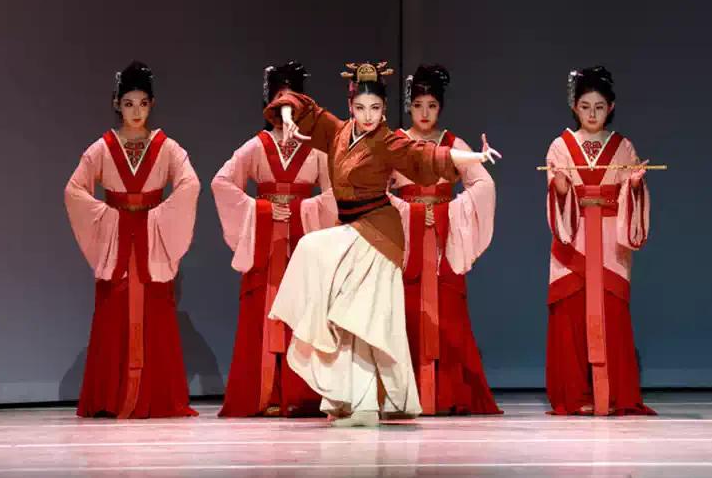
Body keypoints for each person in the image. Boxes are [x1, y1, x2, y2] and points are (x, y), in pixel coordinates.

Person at [263, 61, 502, 427]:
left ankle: (364, 405)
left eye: (375, 108)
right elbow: (299, 105)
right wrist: (286, 116)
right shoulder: (338, 132)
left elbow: (427, 156)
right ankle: (360, 405)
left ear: (385, 110)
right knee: (351, 320)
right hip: (353, 230)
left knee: (337, 286)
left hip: (379, 235)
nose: (368, 115)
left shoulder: (389, 141)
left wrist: (475, 156)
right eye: (361, 108)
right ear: (350, 107)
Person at [65, 61, 200, 418]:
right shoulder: (102, 148)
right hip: (119, 244)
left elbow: (190, 184)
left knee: (156, 314)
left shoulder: (168, 148)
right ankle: (111, 397)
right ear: (116, 104)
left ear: (151, 104)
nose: (136, 112)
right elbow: (74, 190)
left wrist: (157, 218)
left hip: (150, 244)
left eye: (142, 103)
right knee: (113, 315)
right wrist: (111, 219)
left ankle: (156, 398)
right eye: (128, 103)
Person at [213, 61, 335, 417]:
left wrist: (301, 210)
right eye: (279, 100)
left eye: (292, 101)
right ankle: (264, 393)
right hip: (266, 245)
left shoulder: (317, 149)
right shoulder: (256, 146)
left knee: (304, 312)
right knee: (263, 315)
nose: (286, 110)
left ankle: (301, 393)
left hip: (302, 244)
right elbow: (222, 183)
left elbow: (337, 193)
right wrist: (263, 211)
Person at [389, 64, 501, 415]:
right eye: (418, 105)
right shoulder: (395, 143)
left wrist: (450, 211)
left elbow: (483, 184)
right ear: (409, 106)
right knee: (405, 314)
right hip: (407, 242)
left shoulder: (454, 144)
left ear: (441, 107)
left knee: (449, 316)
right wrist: (405, 211)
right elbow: (374, 188)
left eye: (432, 106)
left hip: (442, 240)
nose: (425, 113)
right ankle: (405, 395)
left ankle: (450, 393)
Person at [545, 66, 655, 416]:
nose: (592, 114)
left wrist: (634, 186)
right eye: (585, 106)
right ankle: (575, 394)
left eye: (599, 107)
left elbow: (629, 196)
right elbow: (557, 194)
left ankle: (613, 393)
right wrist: (561, 188)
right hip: (574, 238)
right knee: (571, 315)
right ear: (574, 107)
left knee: (612, 315)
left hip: (609, 242)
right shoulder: (560, 146)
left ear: (611, 108)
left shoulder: (624, 146)